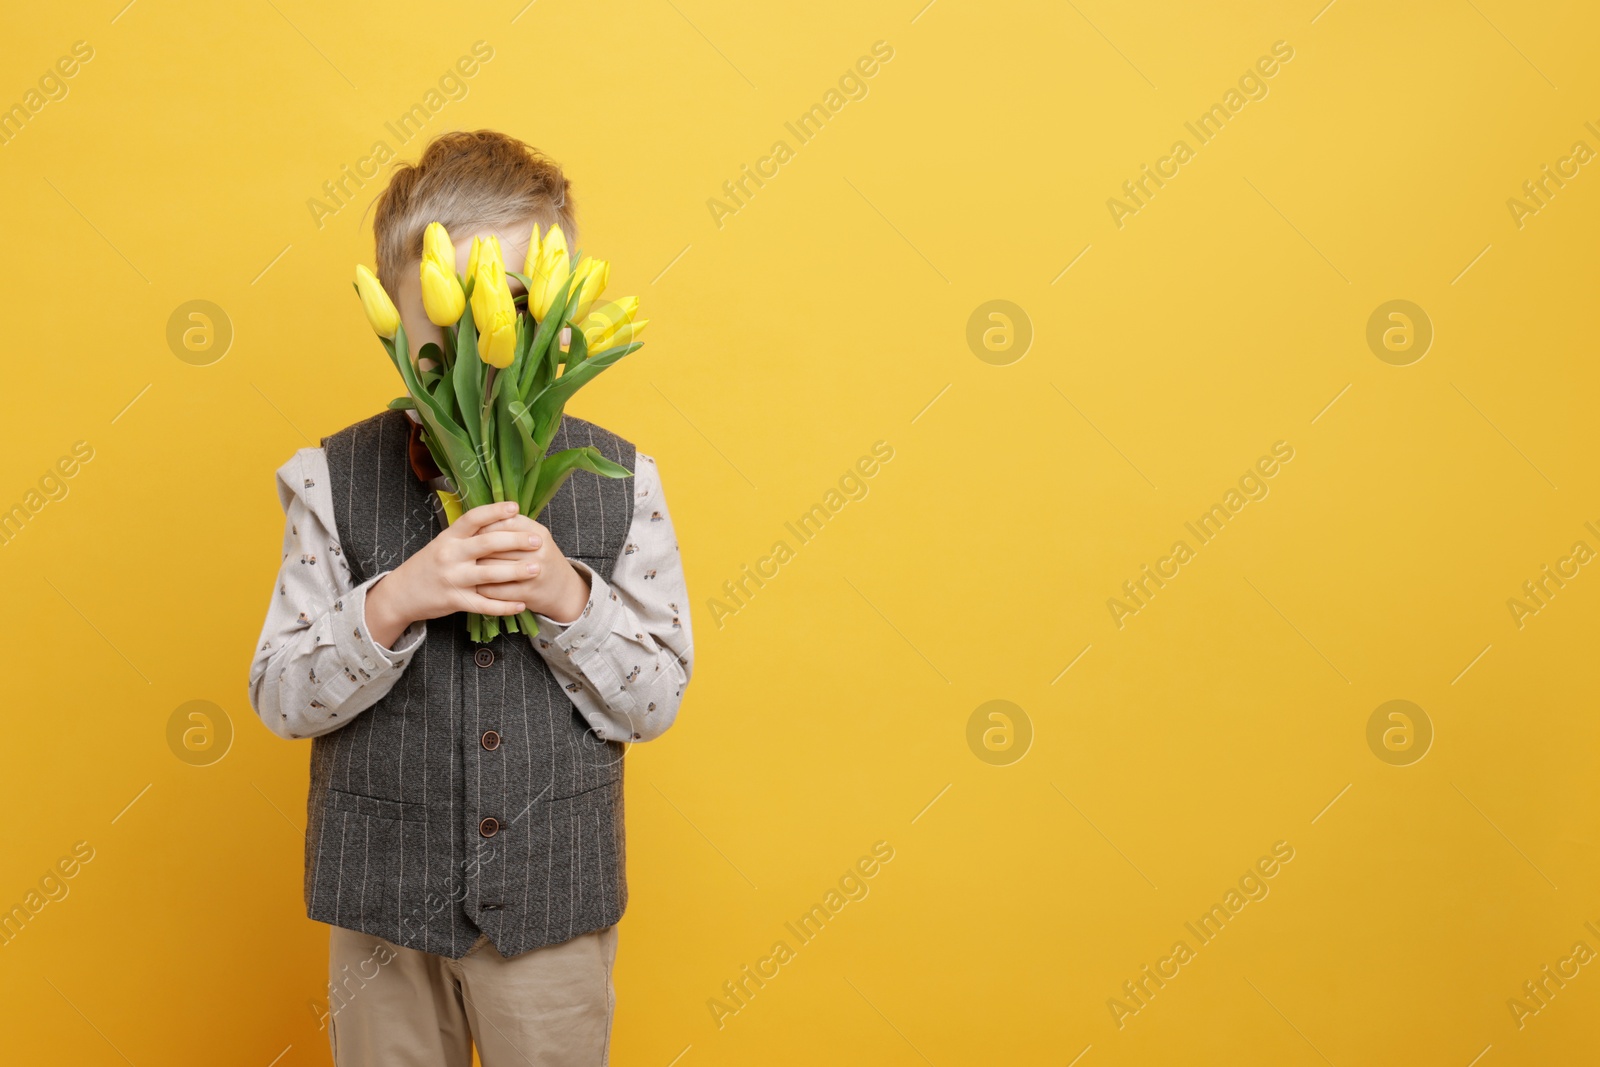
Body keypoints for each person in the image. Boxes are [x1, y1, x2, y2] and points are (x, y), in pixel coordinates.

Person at [247, 130, 692, 1066]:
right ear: (399, 312)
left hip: (549, 912)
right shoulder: (331, 479)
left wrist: (569, 594)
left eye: (526, 300)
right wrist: (396, 598)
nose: (491, 324)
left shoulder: (623, 479)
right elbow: (282, 695)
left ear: (566, 311)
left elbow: (655, 700)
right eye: (450, 305)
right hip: (383, 916)